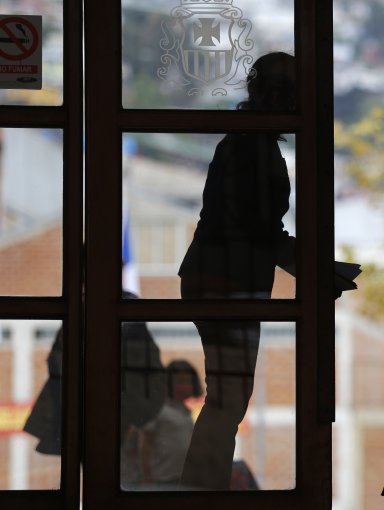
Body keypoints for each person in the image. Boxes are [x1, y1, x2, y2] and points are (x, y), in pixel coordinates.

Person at [177, 51, 297, 490]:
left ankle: (200, 489)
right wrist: (311, 265)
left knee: (227, 399)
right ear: (258, 90)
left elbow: (256, 226)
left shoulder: (247, 141)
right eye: (279, 88)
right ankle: (199, 491)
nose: (285, 98)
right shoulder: (250, 145)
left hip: (225, 277)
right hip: (229, 279)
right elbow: (256, 226)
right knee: (229, 399)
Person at [135, 360, 203, 489]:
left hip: (182, 478)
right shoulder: (158, 409)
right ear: (167, 383)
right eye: (180, 381)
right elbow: (145, 444)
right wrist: (147, 477)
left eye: (189, 381)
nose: (186, 386)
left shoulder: (185, 412)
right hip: (163, 480)